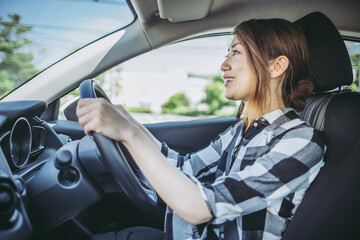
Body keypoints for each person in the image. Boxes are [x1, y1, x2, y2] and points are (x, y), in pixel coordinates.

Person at [76, 18, 325, 240]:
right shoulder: (241, 130)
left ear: (276, 66)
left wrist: (128, 135)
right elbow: (185, 168)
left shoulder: (301, 141)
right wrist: (130, 123)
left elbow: (199, 207)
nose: (223, 65)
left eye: (235, 52)